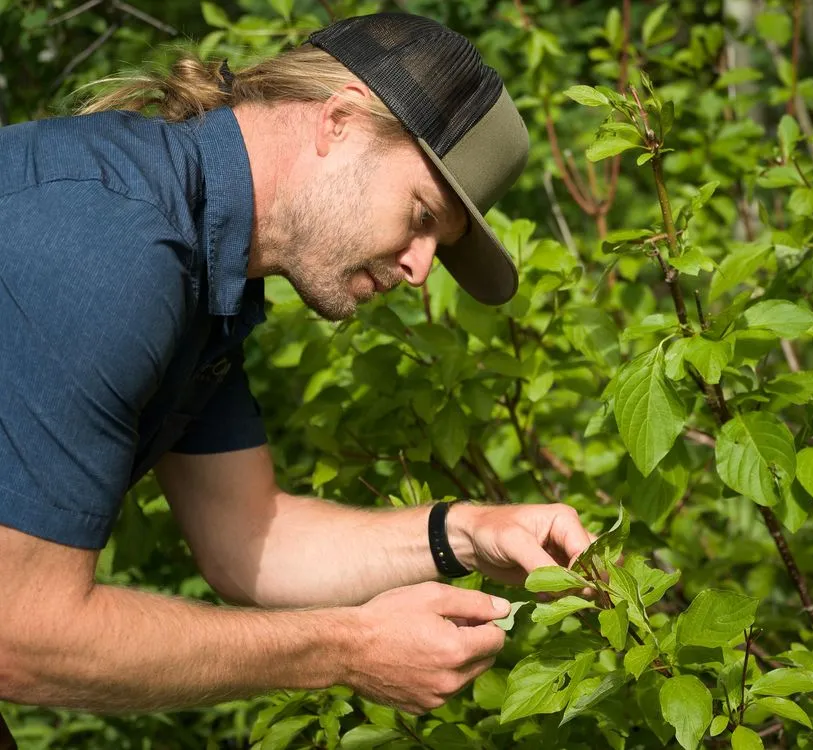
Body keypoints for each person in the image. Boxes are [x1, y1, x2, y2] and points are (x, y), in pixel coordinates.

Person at [0, 11, 594, 732]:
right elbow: (22, 634)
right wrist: (347, 648)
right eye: (420, 215)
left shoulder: (204, 274)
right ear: (338, 120)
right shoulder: (113, 243)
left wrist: (467, 532)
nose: (418, 268)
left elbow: (249, 538)